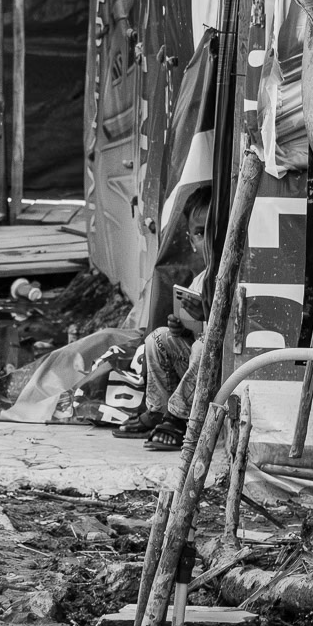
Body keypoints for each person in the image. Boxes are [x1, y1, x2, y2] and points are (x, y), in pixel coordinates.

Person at [116, 186, 212, 449]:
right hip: (196, 373)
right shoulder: (199, 281)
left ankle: (178, 418)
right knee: (157, 338)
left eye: (214, 231)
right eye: (200, 234)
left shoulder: (234, 277)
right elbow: (193, 334)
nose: (208, 241)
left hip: (219, 373)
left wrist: (207, 314)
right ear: (191, 242)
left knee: (203, 348)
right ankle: (158, 411)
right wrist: (182, 328)